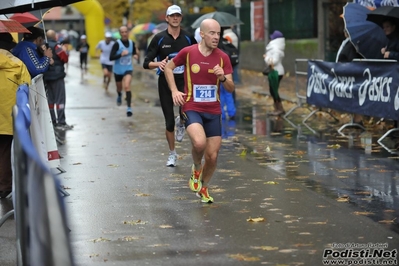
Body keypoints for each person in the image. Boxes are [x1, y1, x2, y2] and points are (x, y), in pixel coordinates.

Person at [164, 18, 234, 203]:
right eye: (212, 33)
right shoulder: (188, 53)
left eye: (218, 33)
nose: (216, 37)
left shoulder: (222, 57)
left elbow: (231, 88)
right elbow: (169, 68)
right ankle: (196, 168)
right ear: (202, 34)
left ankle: (203, 187)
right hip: (191, 106)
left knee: (212, 156)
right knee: (199, 143)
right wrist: (174, 91)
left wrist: (223, 78)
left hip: (213, 111)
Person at [143, 5, 197, 167]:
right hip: (165, 83)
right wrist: (158, 63)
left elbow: (196, 55)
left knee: (184, 114)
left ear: (181, 18)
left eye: (178, 16)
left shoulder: (188, 38)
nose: (175, 18)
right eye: (172, 16)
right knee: (168, 122)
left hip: (184, 82)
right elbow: (146, 63)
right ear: (166, 18)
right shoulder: (159, 38)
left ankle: (181, 122)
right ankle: (172, 154)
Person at [0, 33, 31, 198]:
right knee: (6, 151)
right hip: (8, 116)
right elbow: (26, 87)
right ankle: (5, 186)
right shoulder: (18, 64)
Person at [43, 30, 72, 130]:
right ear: (55, 37)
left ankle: (53, 121)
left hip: (47, 77)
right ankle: (61, 122)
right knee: (60, 100)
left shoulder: (43, 47)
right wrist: (65, 51)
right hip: (57, 76)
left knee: (50, 101)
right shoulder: (57, 46)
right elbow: (64, 58)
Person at [109, 25, 139, 117]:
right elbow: (111, 57)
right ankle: (119, 95)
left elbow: (134, 52)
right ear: (120, 33)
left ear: (128, 32)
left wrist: (135, 55)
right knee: (119, 88)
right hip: (118, 70)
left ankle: (129, 108)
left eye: (126, 32)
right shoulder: (117, 44)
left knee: (127, 86)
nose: (124, 34)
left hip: (128, 69)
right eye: (122, 32)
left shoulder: (131, 43)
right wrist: (121, 54)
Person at [264, 30, 285, 115]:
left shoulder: (276, 48)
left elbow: (273, 61)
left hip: (276, 72)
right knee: (272, 90)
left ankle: (279, 109)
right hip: (275, 71)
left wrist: (266, 57)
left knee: (274, 91)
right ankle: (277, 108)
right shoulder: (275, 47)